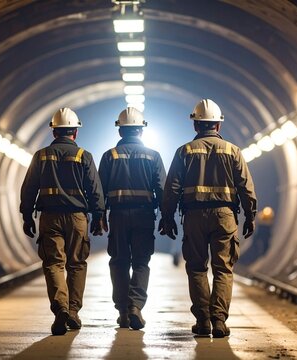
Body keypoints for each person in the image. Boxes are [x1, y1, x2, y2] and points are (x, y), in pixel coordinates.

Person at [159, 99, 257, 338]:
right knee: (223, 269)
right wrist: (250, 215)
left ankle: (203, 321)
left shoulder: (184, 151)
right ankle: (219, 321)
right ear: (218, 126)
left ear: (196, 126)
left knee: (196, 268)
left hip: (194, 217)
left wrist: (167, 216)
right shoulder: (233, 151)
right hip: (225, 216)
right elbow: (246, 187)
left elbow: (171, 188)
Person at [20, 107, 106, 336]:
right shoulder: (84, 156)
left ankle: (61, 308)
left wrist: (26, 215)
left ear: (53, 132)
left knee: (53, 263)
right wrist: (99, 216)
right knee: (77, 264)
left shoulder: (41, 155)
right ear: (75, 133)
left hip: (49, 217)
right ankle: (74, 312)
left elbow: (29, 188)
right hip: (77, 217)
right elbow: (95, 190)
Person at [98, 107, 166, 330]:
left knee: (119, 262)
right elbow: (162, 190)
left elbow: (99, 192)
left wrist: (99, 216)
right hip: (144, 216)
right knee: (140, 262)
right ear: (141, 131)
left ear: (120, 131)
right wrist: (166, 216)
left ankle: (124, 311)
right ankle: (136, 306)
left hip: (117, 216)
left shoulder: (109, 156)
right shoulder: (153, 156)